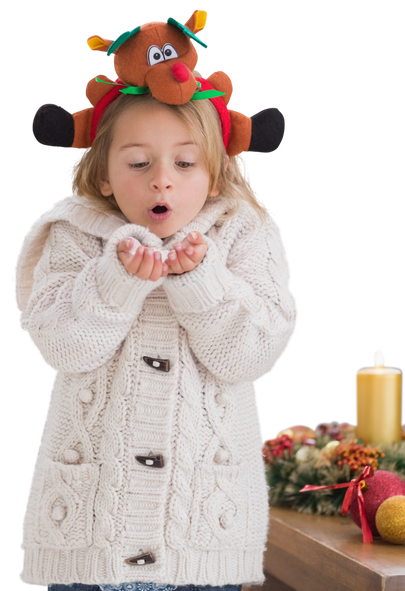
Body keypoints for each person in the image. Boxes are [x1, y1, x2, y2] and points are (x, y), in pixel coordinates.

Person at [12, 13, 299, 591]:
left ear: (216, 173)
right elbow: (59, 343)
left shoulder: (246, 232)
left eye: (185, 163)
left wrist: (204, 283)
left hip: (202, 535)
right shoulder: (75, 232)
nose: (162, 180)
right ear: (107, 173)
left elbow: (254, 354)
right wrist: (112, 281)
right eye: (139, 164)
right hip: (91, 532)